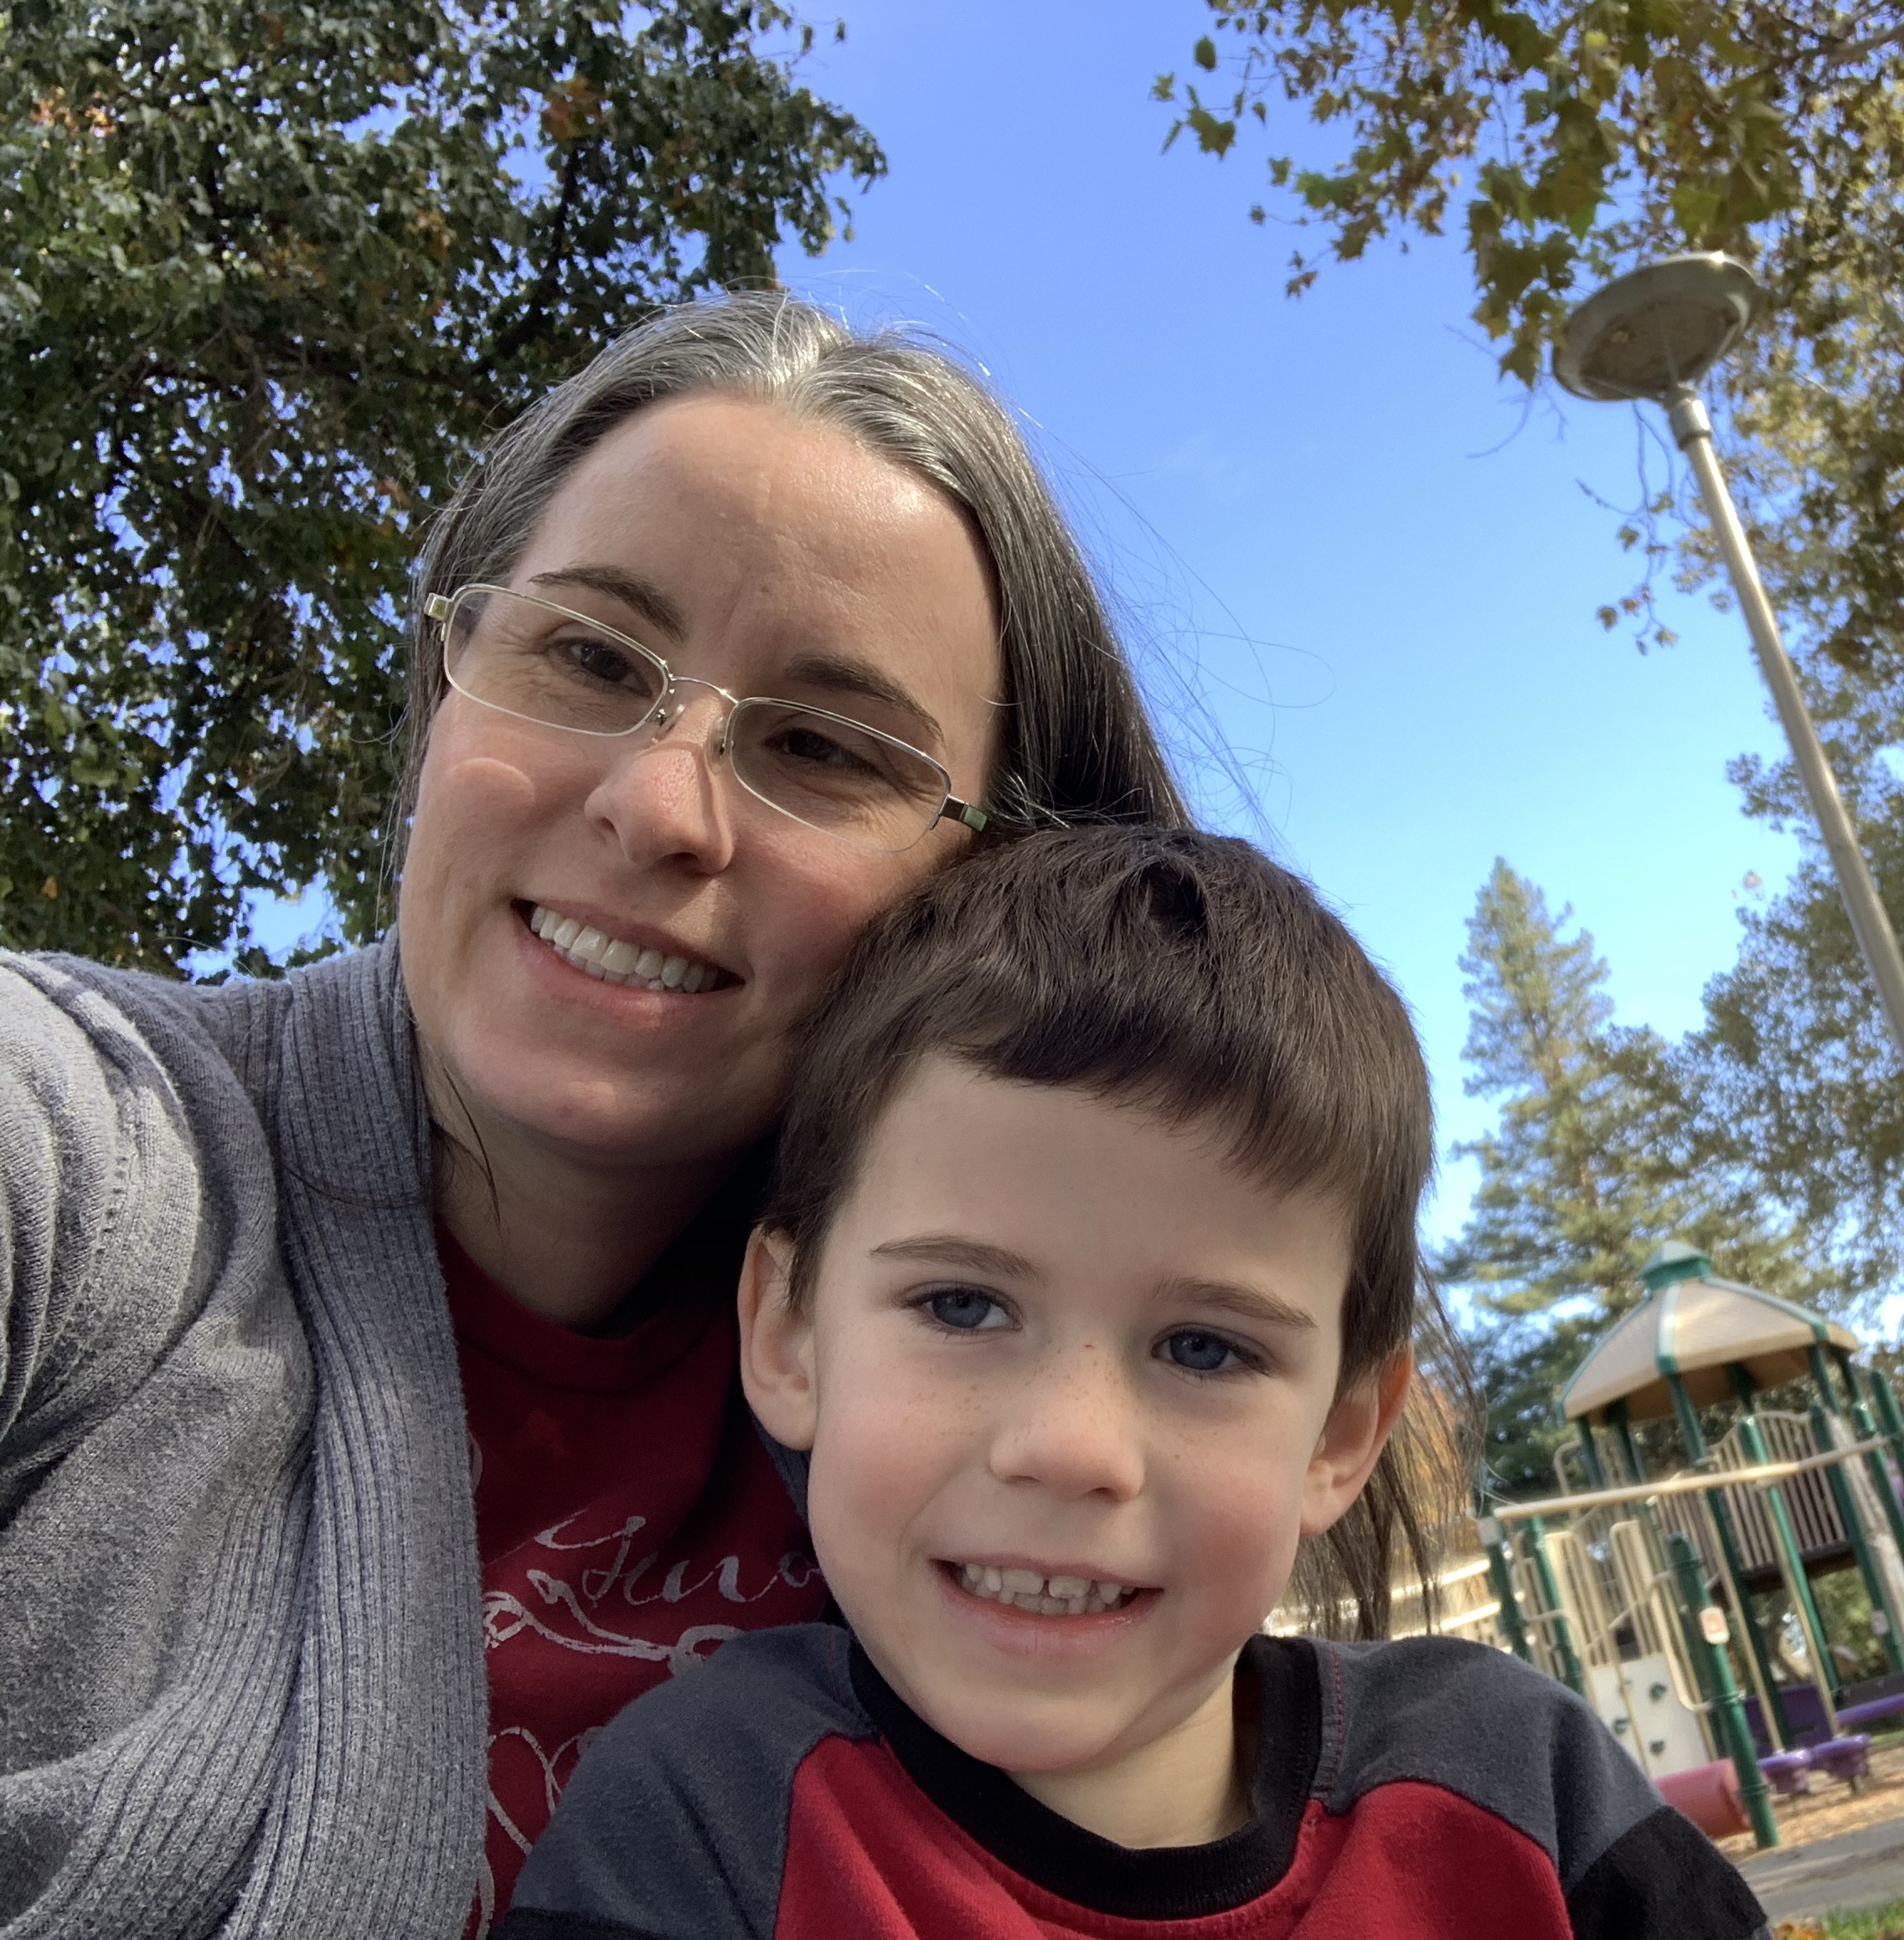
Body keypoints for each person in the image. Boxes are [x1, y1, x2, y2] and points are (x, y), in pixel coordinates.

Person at [0, 294, 1184, 1940]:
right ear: (445, 684)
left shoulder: (1032, 1414)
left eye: (824, 747)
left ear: (984, 893)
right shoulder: (88, 1143)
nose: (656, 804)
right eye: (587, 658)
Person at [494, 826, 1770, 1940]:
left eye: (1204, 1348)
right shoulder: (708, 1816)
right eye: (961, 1305)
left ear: (1340, 1435)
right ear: (789, 1333)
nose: (1071, 1446)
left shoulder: (1520, 1792)